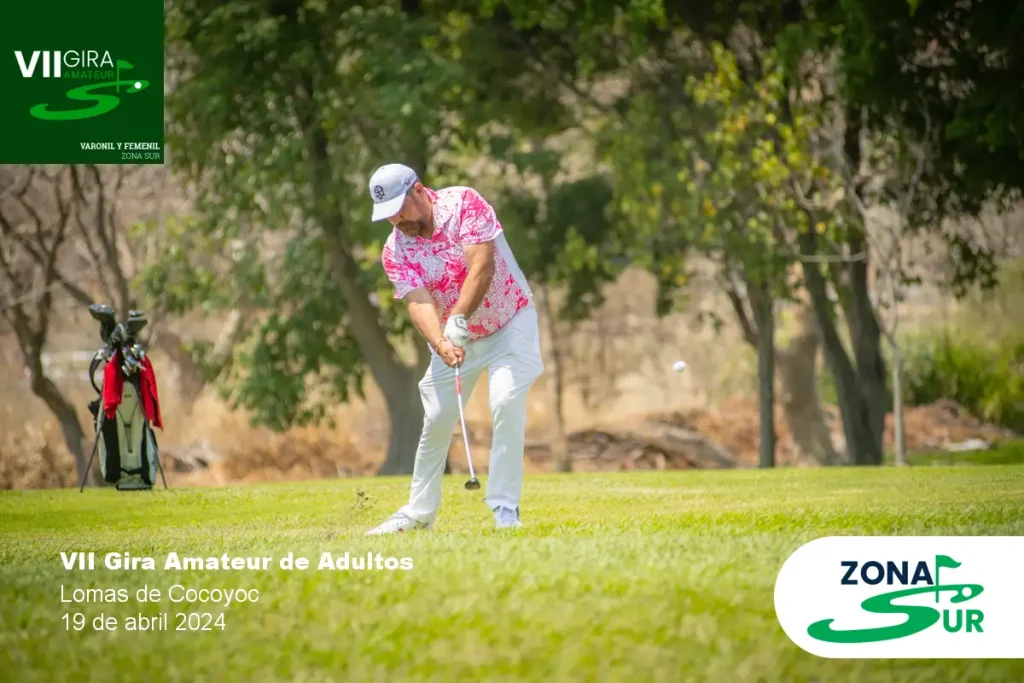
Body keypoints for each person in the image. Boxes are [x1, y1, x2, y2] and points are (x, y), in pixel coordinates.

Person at [363, 163, 544, 535]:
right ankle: (419, 513)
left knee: (505, 400)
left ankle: (505, 508)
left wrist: (458, 318)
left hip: (509, 320)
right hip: (456, 338)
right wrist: (441, 341)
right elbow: (418, 301)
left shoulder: (463, 203)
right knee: (437, 416)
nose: (397, 221)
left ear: (418, 190)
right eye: (388, 215)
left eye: (400, 209)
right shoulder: (395, 250)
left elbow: (482, 267)